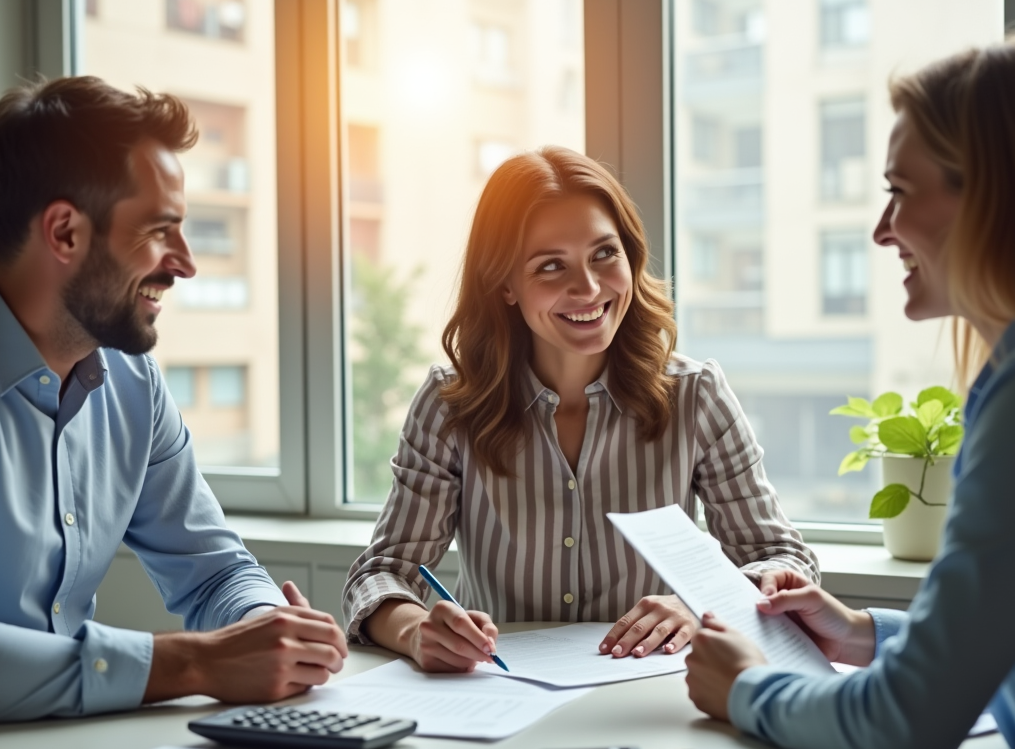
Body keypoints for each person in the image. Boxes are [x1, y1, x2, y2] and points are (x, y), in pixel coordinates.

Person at [683, 35, 1015, 749]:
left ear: (992, 200)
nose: (883, 229)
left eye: (901, 192)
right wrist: (861, 633)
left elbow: (900, 731)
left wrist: (747, 688)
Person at [0, 77, 347, 726]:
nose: (186, 264)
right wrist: (195, 664)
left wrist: (266, 630)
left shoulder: (129, 381)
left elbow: (214, 571)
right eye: (160, 230)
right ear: (64, 233)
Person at [343, 146, 818, 673]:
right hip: (503, 694)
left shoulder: (696, 395)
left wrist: (700, 604)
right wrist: (415, 631)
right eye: (550, 266)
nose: (588, 288)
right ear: (504, 283)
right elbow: (381, 573)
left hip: (656, 692)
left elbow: (784, 561)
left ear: (630, 257)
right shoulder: (450, 405)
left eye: (604, 255)